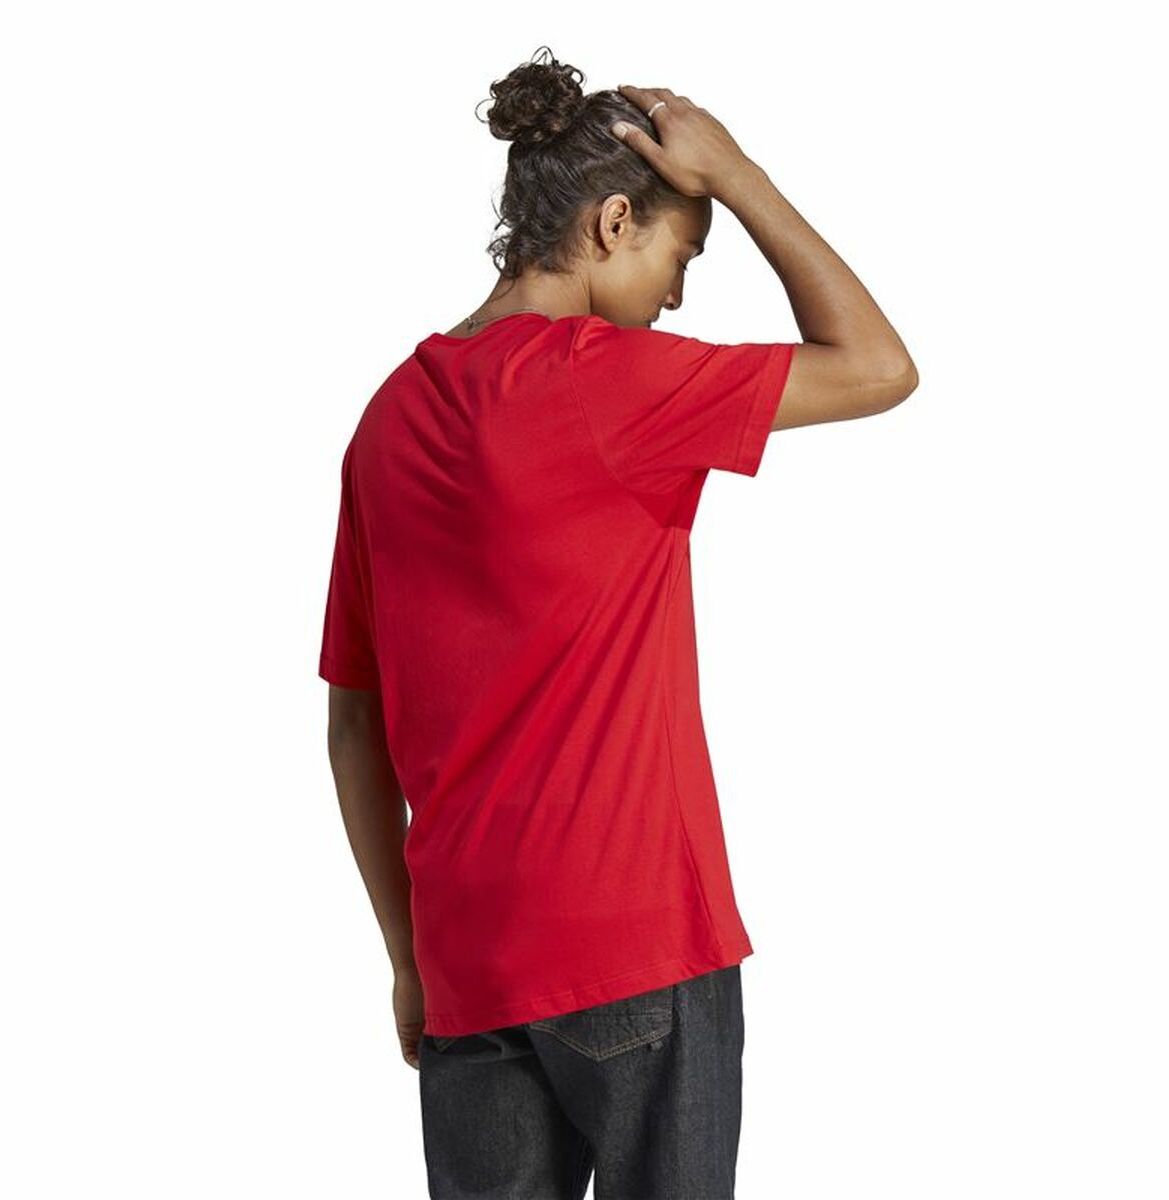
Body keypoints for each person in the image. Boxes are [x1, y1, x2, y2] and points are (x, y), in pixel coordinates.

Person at [319, 46, 918, 1200]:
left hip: (467, 967)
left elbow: (354, 724)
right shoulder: (611, 380)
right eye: (678, 258)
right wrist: (739, 176)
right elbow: (878, 366)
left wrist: (408, 958)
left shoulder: (385, 422)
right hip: (633, 941)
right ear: (611, 223)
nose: (675, 299)